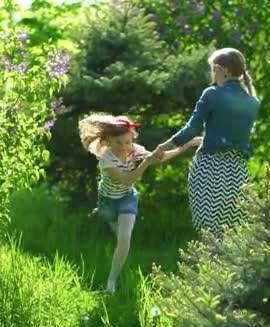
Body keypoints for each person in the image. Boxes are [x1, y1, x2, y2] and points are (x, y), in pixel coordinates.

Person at [79, 113, 201, 293]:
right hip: (107, 202)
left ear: (132, 139)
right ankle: (117, 265)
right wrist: (145, 163)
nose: (124, 147)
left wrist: (187, 145)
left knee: (124, 240)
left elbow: (161, 157)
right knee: (119, 241)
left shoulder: (135, 149)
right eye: (118, 143)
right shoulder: (106, 160)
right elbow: (128, 179)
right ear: (108, 141)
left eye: (128, 142)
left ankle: (111, 282)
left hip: (127, 199)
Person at [152, 47, 261, 236]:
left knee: (209, 234)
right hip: (238, 174)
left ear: (223, 69)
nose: (213, 76)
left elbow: (191, 129)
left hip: (210, 170)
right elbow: (232, 138)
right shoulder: (253, 102)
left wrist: (163, 147)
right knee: (232, 236)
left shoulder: (212, 94)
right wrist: (194, 142)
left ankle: (209, 267)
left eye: (214, 70)